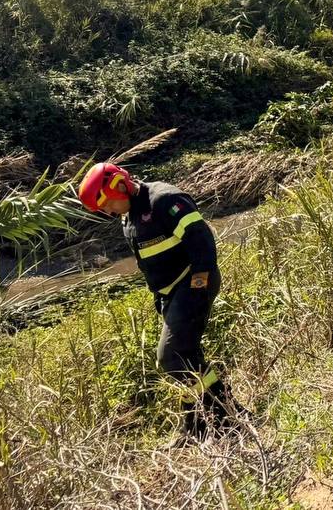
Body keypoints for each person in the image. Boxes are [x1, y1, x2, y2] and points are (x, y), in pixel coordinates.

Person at [78, 163, 232, 437]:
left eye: (106, 204)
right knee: (187, 356)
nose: (108, 212)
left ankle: (224, 415)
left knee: (170, 356)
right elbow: (150, 264)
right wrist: (161, 299)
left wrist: (197, 289)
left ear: (119, 186)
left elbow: (203, 245)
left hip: (193, 282)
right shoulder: (128, 218)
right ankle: (199, 421)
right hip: (169, 294)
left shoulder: (164, 201)